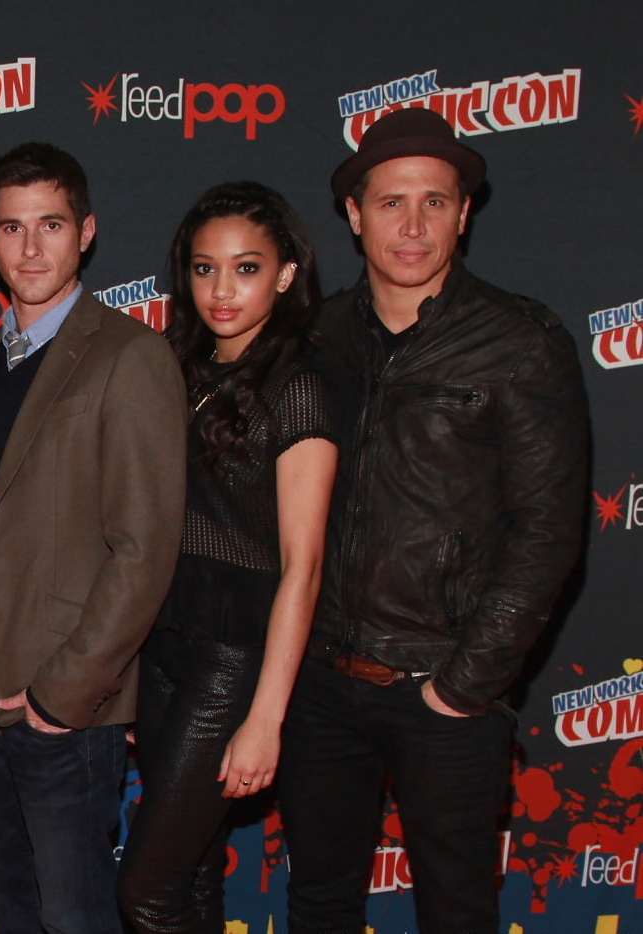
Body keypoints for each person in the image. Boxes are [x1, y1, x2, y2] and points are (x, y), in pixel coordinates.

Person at [281, 108, 590, 934]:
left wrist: (463, 686)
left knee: (457, 913)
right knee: (318, 904)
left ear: (463, 214)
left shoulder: (519, 342)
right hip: (319, 683)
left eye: (435, 202)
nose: (412, 225)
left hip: (444, 687)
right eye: (391, 202)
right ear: (355, 215)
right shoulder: (317, 337)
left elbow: (549, 530)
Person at [0, 142, 185, 934]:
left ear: (85, 232)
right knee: (10, 907)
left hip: (61, 707)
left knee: (75, 916)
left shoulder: (130, 356)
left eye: (49, 225)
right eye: (12, 228)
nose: (30, 248)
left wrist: (64, 694)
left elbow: (145, 548)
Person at [114, 181, 336, 933]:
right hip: (163, 646)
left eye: (246, 268)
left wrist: (266, 717)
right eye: (204, 268)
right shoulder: (177, 367)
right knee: (194, 876)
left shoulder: (299, 387)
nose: (221, 289)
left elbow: (303, 567)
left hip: (233, 659)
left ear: (284, 273)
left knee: (146, 892)